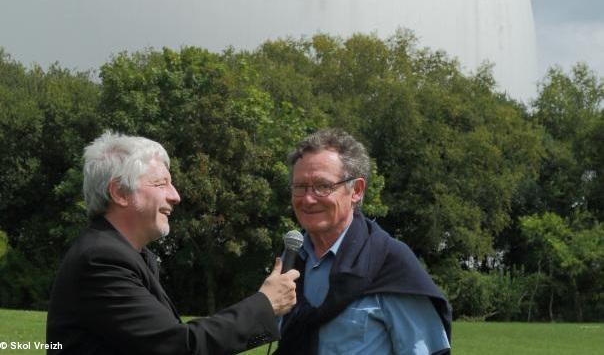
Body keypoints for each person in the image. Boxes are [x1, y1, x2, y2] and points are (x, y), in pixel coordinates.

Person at [46, 132, 299, 355]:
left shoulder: (126, 254)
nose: (175, 195)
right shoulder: (101, 260)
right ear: (120, 193)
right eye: (160, 184)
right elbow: (178, 346)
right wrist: (266, 304)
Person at [276, 128, 451, 355]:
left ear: (356, 191)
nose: (308, 199)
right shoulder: (292, 260)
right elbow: (271, 331)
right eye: (300, 187)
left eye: (323, 186)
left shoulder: (391, 263)